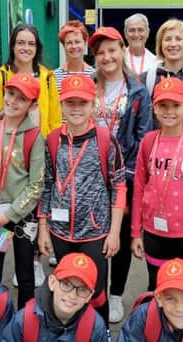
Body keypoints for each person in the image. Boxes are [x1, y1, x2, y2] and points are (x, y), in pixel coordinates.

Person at [37, 73, 126, 326]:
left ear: (92, 105)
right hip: (60, 231)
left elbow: (119, 185)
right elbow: (47, 185)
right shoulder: (53, 140)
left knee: (96, 290)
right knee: (65, 288)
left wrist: (115, 231)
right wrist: (43, 229)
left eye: (83, 103)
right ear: (62, 105)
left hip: (96, 232)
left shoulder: (105, 139)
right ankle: (71, 334)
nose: (76, 108)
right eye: (70, 103)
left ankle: (102, 335)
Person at [88, 26, 153, 324]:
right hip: (90, 174)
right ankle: (94, 290)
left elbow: (143, 138)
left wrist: (123, 175)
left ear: (122, 50)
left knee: (123, 236)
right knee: (95, 235)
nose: (107, 57)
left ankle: (116, 295)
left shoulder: (138, 90)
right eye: (100, 53)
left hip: (123, 176)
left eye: (112, 50)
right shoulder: (89, 85)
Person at [131, 77, 183, 290]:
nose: (169, 111)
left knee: (182, 288)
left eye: (176, 105)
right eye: (163, 105)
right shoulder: (148, 141)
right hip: (153, 233)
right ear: (154, 108)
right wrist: (135, 233)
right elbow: (139, 189)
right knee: (156, 286)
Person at [0, 73, 45, 309]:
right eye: (10, 93)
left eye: (22, 99)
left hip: (22, 214)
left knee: (25, 274)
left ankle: (25, 322)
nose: (13, 101)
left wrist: (7, 215)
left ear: (32, 105)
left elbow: (36, 185)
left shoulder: (34, 136)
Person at [0, 23, 62, 137]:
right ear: (13, 46)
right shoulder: (0, 77)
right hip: (10, 147)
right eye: (20, 43)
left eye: (31, 44)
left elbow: (55, 121)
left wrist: (50, 145)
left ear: (37, 48)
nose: (26, 48)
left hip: (41, 147)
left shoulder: (47, 78)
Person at [141, 18, 183, 128]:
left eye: (179, 39)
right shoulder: (147, 79)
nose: (173, 44)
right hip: (157, 143)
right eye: (167, 39)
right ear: (160, 44)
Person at [54, 20, 95, 93]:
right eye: (69, 43)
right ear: (64, 46)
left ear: (85, 43)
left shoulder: (94, 75)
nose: (74, 46)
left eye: (77, 42)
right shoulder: (54, 77)